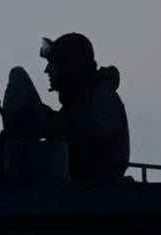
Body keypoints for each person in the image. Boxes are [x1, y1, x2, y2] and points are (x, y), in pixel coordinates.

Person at [39, 33, 130, 181]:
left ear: (72, 66)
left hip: (98, 197)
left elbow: (85, 137)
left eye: (54, 64)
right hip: (79, 194)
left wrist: (47, 122)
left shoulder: (104, 99)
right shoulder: (77, 103)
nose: (47, 70)